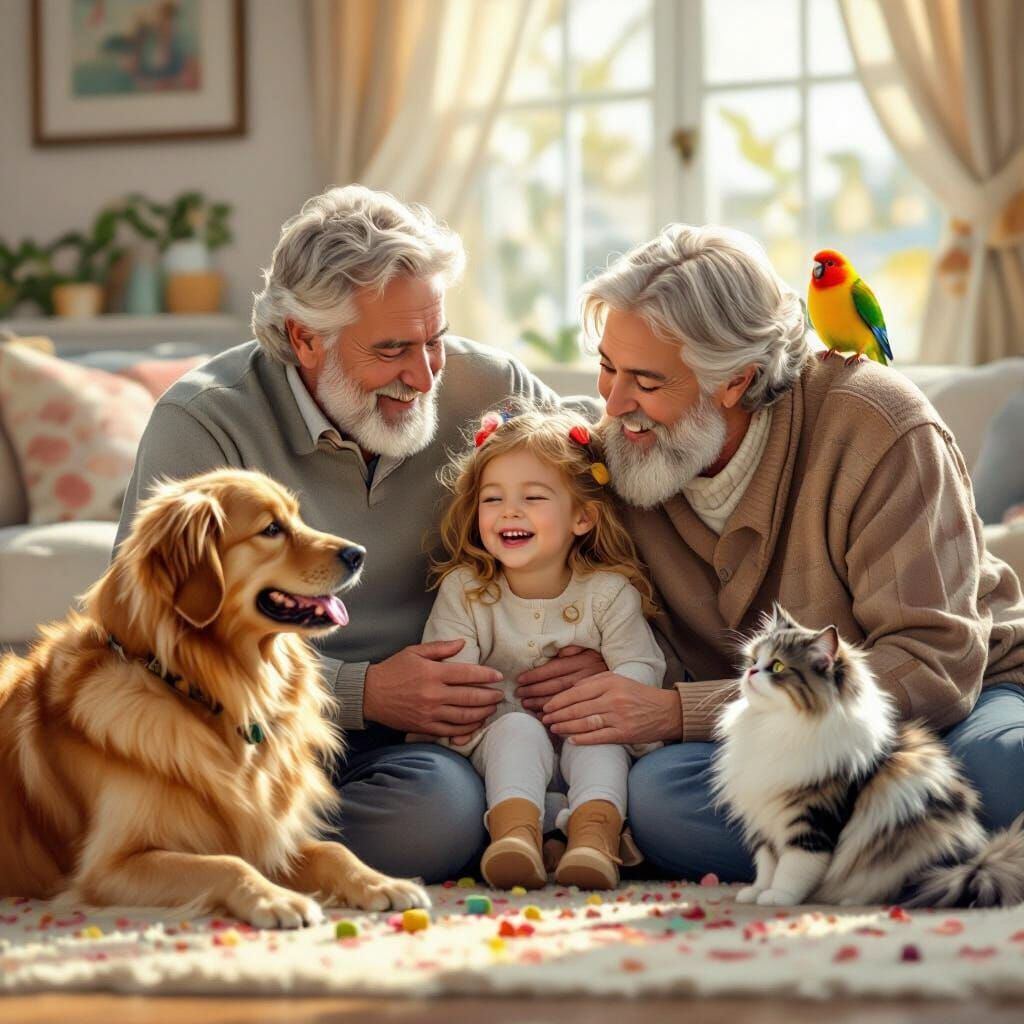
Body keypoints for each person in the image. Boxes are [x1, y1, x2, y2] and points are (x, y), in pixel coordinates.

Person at [115, 185, 603, 884]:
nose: (424, 374)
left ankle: (261, 842)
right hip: (250, 737)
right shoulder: (204, 421)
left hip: (425, 749)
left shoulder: (490, 387)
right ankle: (213, 842)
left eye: (435, 339)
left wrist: (593, 648)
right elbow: (146, 636)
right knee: (438, 820)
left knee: (438, 809)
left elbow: (598, 490)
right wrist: (361, 691)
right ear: (303, 339)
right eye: (393, 348)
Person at [523, 224, 1024, 881]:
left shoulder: (879, 426)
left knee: (1000, 771)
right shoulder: (619, 450)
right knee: (659, 797)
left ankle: (850, 843)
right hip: (772, 739)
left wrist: (679, 711)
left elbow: (933, 665)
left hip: (951, 702)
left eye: (645, 380)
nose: (614, 403)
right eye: (608, 367)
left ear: (737, 381)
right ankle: (889, 844)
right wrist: (611, 660)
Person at [416, 408, 665, 890]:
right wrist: (470, 702)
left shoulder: (608, 592)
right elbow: (450, 675)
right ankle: (516, 838)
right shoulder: (466, 590)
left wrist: (602, 697)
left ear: (582, 517)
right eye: (493, 499)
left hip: (587, 747)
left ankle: (593, 839)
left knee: (597, 736)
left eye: (532, 497)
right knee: (517, 729)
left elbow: (641, 666)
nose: (510, 511)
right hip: (497, 753)